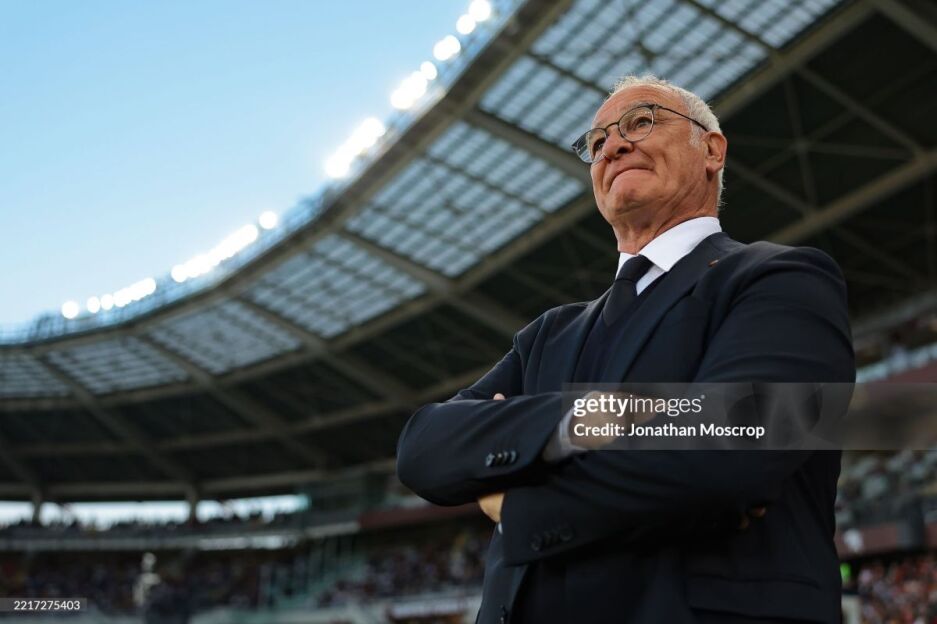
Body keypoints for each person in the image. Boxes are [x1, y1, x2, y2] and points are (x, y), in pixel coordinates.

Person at [396, 75, 855, 623]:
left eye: (641, 122)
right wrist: (624, 412)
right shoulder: (549, 333)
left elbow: (731, 454)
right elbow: (423, 449)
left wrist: (519, 498)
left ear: (712, 150)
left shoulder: (780, 279)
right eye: (596, 143)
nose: (612, 146)